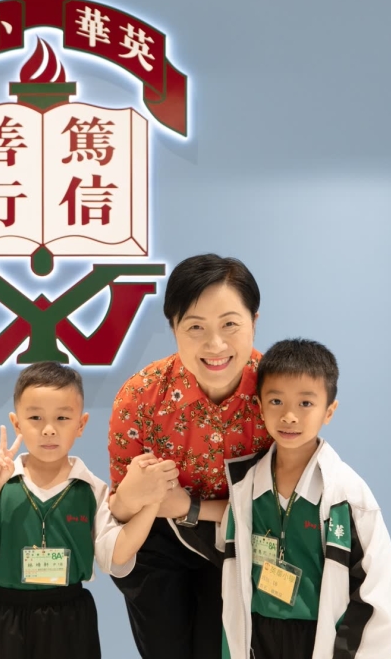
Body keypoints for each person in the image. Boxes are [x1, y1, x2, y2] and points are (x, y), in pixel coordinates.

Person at [108, 254, 272, 659]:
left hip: (243, 537)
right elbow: (120, 511)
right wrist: (133, 494)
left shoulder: (277, 393)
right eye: (195, 327)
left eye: (230, 324)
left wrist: (191, 506)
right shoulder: (140, 397)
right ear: (173, 328)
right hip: (160, 542)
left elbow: (285, 502)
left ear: (254, 321)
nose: (215, 345)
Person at [0, 361, 173, 659]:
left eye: (62, 418)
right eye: (35, 417)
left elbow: (116, 555)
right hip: (2, 616)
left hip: (68, 618)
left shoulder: (91, 490)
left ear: (81, 424)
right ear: (17, 424)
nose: (48, 429)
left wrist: (153, 503)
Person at [220, 338, 391, 659]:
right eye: (276, 401)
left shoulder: (347, 495)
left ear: (329, 411)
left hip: (318, 640)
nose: (289, 416)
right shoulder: (245, 489)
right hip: (256, 636)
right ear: (260, 406)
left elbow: (380, 591)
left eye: (305, 403)